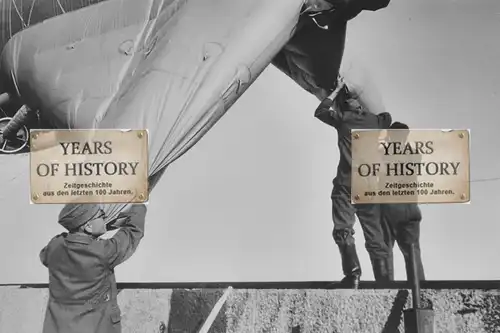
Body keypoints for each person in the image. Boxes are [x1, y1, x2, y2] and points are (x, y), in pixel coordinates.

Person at [315, 76, 392, 288]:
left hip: (345, 185)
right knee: (375, 235)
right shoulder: (375, 122)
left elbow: (320, 112)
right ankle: (384, 283)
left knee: (343, 229)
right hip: (369, 187)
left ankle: (353, 276)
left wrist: (336, 90)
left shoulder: (343, 119)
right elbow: (386, 116)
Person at [40, 203, 147, 333]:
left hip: (59, 327)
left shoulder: (55, 246)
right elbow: (132, 233)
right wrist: (139, 205)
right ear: (89, 226)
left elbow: (44, 257)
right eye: (101, 215)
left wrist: (92, 230)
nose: (105, 217)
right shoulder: (102, 252)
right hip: (95, 327)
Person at [380, 121, 425, 281]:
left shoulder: (382, 154)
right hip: (408, 207)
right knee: (412, 250)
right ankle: (419, 290)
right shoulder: (414, 153)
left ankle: (385, 289)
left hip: (386, 207)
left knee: (384, 250)